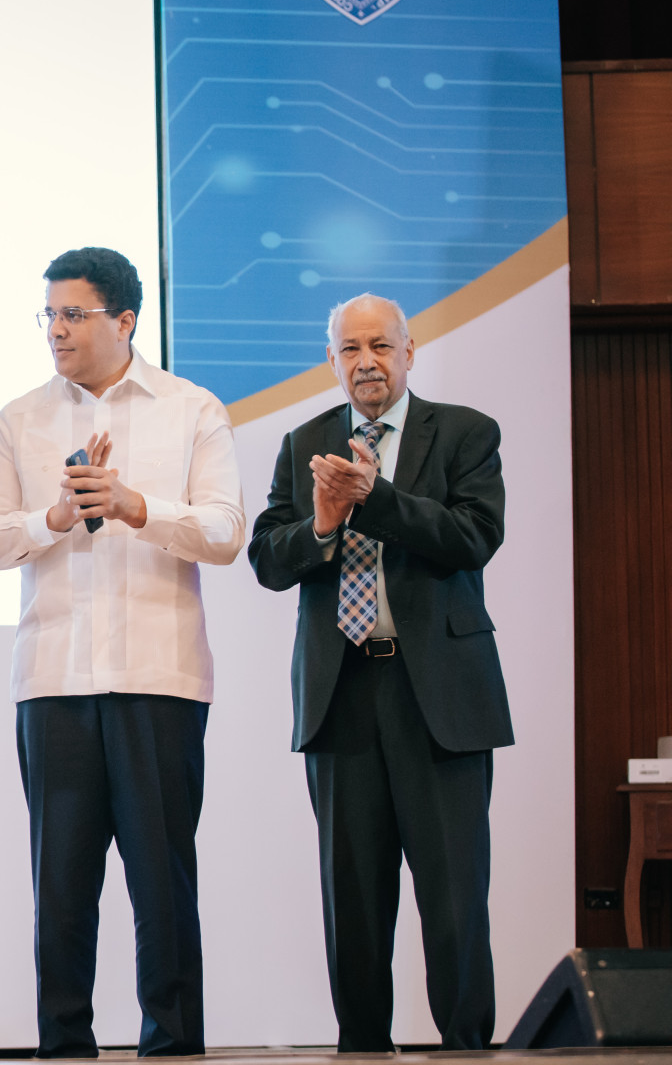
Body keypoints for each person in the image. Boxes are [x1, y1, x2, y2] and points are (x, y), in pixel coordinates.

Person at [0, 247, 243, 1058]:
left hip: (159, 677)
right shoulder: (20, 419)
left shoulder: (191, 409)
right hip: (53, 681)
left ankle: (173, 1048)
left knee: (163, 888)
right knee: (61, 893)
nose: (56, 330)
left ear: (124, 320)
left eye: (72, 314)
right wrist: (51, 519)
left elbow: (225, 531)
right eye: (48, 314)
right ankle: (63, 1051)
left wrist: (135, 505)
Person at [247, 293, 509, 1051]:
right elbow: (268, 559)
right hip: (341, 693)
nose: (366, 362)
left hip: (440, 697)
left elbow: (475, 536)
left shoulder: (463, 432)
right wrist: (323, 524)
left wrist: (376, 500)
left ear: (409, 352)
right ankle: (362, 1048)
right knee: (354, 900)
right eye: (350, 349)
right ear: (330, 360)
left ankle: (467, 1049)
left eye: (380, 346)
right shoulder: (304, 442)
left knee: (453, 895)